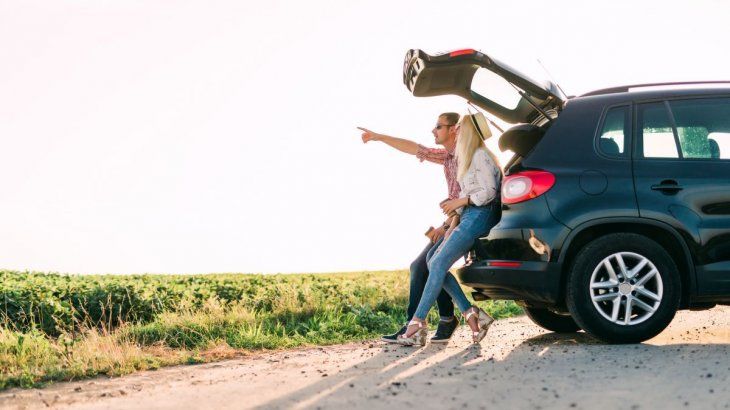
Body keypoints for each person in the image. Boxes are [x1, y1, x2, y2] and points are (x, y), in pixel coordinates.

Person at [397, 112, 502, 346]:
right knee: (433, 260)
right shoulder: (466, 158)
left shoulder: (480, 155)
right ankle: (471, 315)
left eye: (460, 128)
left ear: (469, 132)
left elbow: (489, 192)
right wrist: (454, 215)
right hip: (468, 216)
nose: (457, 131)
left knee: (436, 262)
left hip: (480, 215)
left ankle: (417, 320)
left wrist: (459, 202)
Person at [358, 113, 462, 344]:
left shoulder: (467, 157)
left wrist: (446, 226)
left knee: (423, 264)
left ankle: (414, 327)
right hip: (453, 220)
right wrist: (379, 137)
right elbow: (414, 148)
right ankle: (446, 319)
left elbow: (470, 195)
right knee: (428, 264)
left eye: (438, 126)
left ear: (454, 129)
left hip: (464, 221)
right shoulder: (447, 157)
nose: (433, 130)